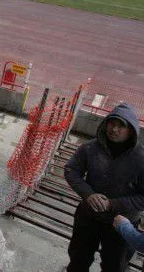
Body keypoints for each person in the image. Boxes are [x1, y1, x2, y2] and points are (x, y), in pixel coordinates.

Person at [64, 103, 144, 272]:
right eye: (112, 123)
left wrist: (112, 204)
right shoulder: (90, 148)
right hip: (89, 217)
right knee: (78, 259)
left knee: (114, 266)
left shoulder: (141, 159)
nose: (114, 129)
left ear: (131, 130)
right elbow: (71, 170)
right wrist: (88, 194)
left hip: (123, 225)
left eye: (121, 126)